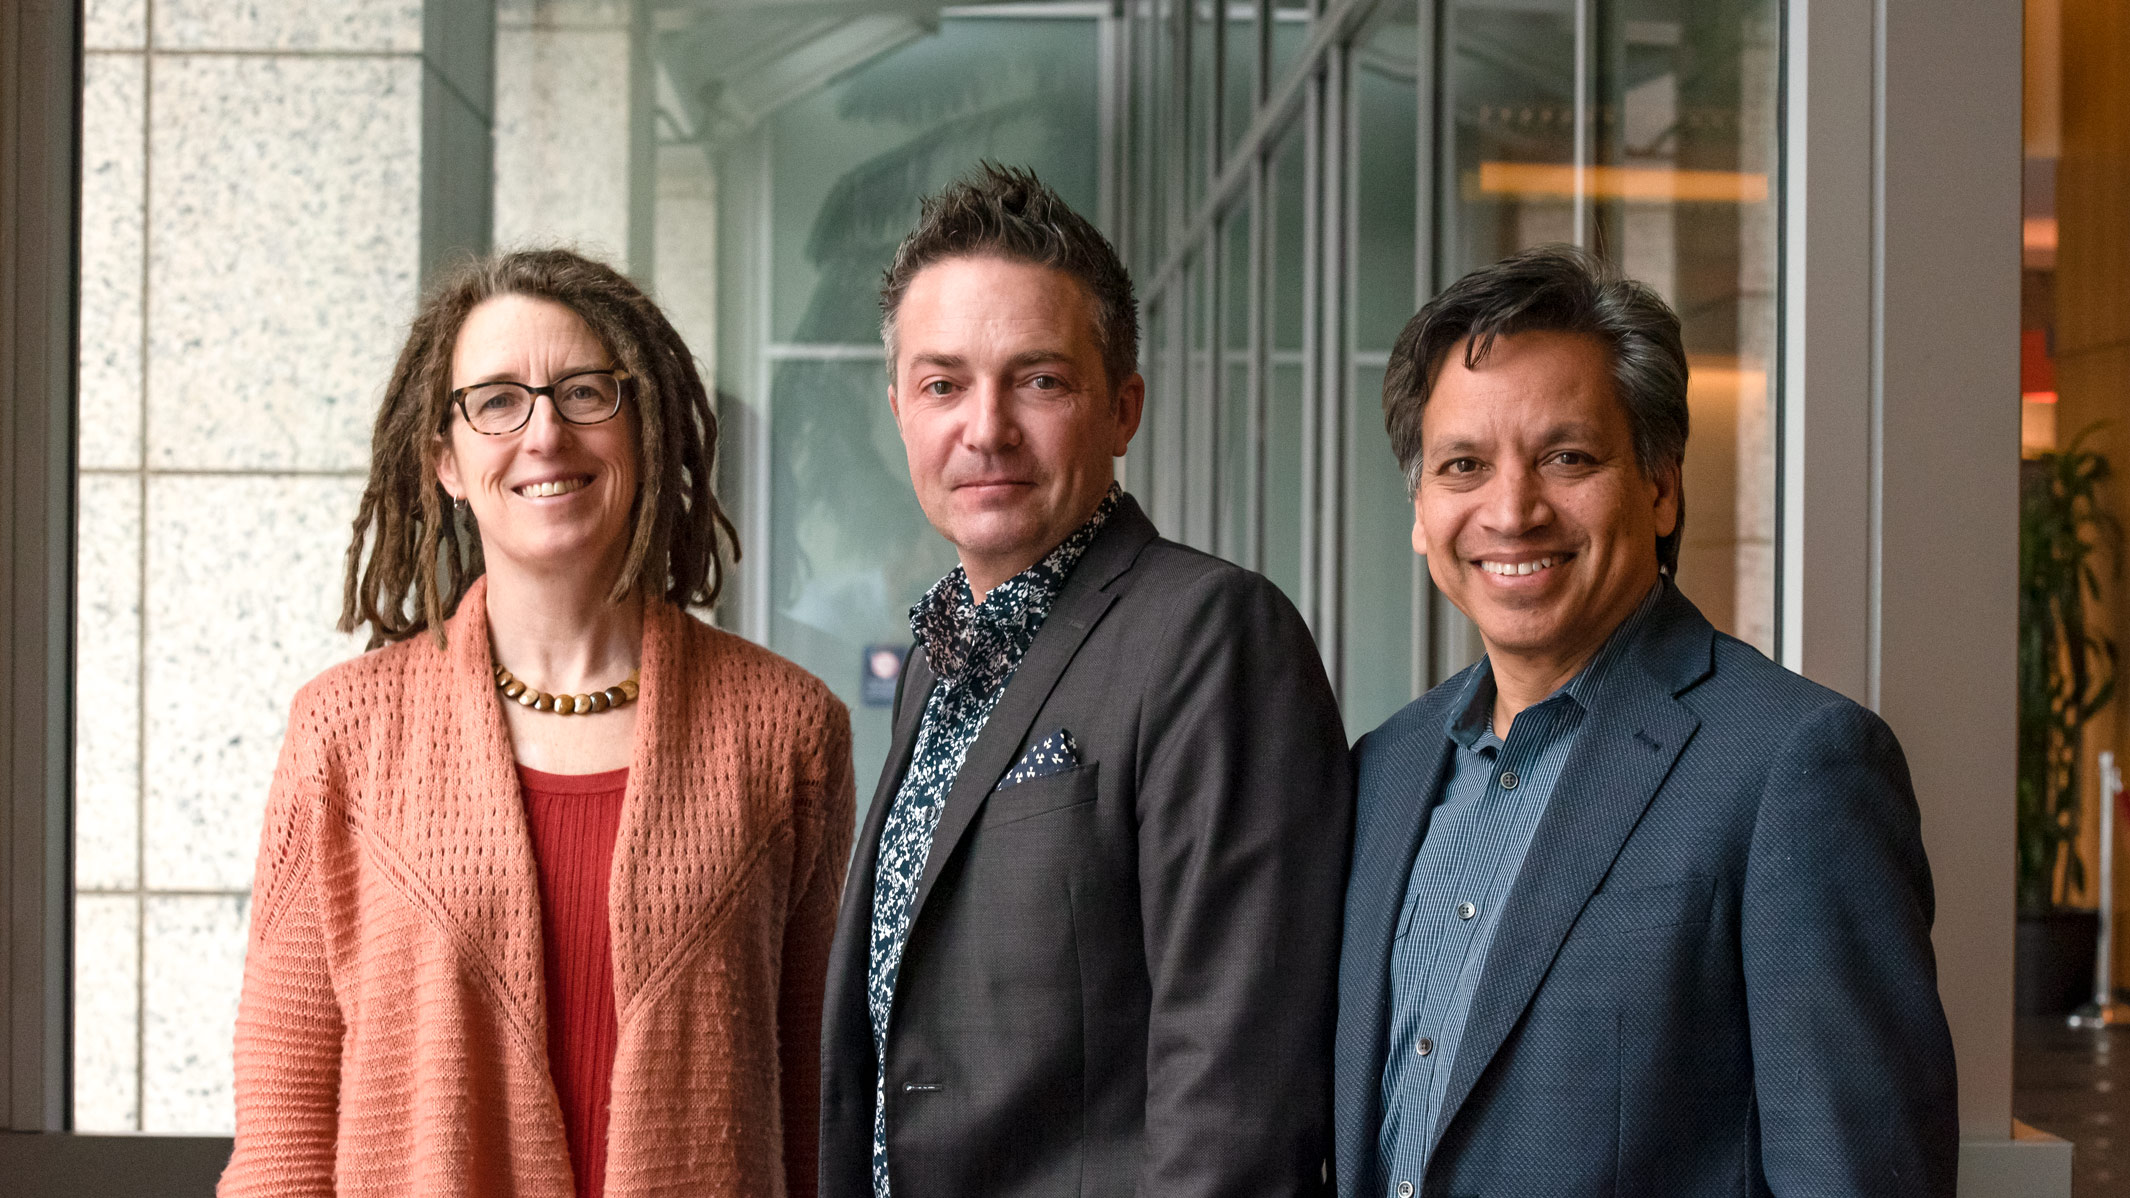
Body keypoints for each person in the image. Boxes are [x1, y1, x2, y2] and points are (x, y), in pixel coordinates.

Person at [220, 249, 854, 1198]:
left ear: (642, 429)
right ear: (446, 460)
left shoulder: (786, 729)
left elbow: (814, 1091)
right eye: (498, 401)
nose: (545, 432)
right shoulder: (343, 733)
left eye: (584, 392)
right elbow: (286, 1107)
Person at [1334, 245, 1958, 1197]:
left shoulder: (1796, 769)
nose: (1513, 509)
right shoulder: (1383, 770)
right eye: (1464, 465)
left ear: (1661, 486)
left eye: (1566, 458)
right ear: (1420, 510)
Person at [817, 164, 1352, 1198]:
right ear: (899, 411)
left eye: (1040, 379)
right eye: (944, 383)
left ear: (1122, 407)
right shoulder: (938, 660)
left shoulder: (1211, 637)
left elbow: (1236, 1098)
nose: (986, 428)